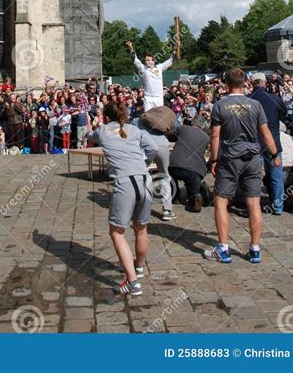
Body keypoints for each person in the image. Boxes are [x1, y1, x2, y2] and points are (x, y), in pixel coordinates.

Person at [204, 68, 281, 264]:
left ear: (226, 84)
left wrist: (213, 159)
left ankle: (223, 248)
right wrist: (274, 154)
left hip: (230, 157)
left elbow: (215, 135)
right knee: (253, 202)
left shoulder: (220, 106)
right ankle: (255, 248)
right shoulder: (255, 105)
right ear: (245, 83)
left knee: (221, 201)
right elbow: (265, 132)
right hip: (253, 156)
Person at [88, 101, 158, 296]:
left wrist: (92, 125)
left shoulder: (102, 131)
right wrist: (145, 162)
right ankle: (139, 268)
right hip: (145, 179)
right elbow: (152, 147)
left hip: (125, 182)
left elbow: (89, 135)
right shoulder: (134, 130)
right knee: (141, 228)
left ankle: (133, 283)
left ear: (107, 117)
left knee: (117, 232)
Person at [249, 72, 287, 215]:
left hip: (254, 143)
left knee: (254, 177)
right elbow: (285, 115)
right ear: (265, 83)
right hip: (273, 142)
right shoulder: (275, 98)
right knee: (276, 176)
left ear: (252, 84)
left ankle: (254, 205)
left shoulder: (248, 100)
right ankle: (277, 206)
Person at [131, 107, 174, 221]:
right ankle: (167, 210)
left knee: (143, 175)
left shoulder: (135, 121)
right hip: (163, 146)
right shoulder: (160, 120)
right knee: (164, 175)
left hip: (146, 148)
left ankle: (141, 206)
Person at [169, 116, 210, 212]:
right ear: (203, 126)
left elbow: (170, 135)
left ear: (192, 123)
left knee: (171, 179)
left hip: (175, 164)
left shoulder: (183, 128)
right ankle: (195, 197)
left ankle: (175, 197)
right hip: (195, 169)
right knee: (193, 187)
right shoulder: (206, 137)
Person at [126, 41, 173, 112]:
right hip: (148, 98)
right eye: (145, 60)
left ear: (153, 61)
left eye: (148, 60)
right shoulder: (143, 68)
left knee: (158, 116)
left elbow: (170, 61)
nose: (146, 62)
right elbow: (135, 59)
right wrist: (131, 48)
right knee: (148, 116)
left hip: (158, 98)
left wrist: (175, 50)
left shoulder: (160, 67)